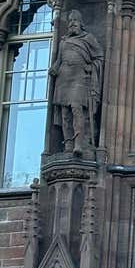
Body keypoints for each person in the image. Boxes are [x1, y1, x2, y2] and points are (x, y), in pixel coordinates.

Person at [49, 10, 103, 157]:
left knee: (77, 109)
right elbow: (59, 60)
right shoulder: (64, 41)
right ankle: (68, 144)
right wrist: (54, 68)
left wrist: (91, 67)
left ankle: (79, 143)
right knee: (65, 113)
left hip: (79, 78)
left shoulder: (88, 38)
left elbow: (99, 57)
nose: (72, 23)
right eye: (70, 21)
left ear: (81, 24)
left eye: (75, 20)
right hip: (63, 78)